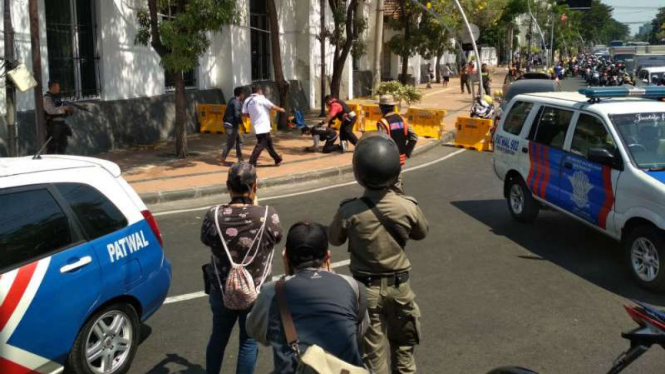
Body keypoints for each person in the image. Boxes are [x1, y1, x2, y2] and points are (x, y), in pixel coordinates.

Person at [329, 134, 429, 374]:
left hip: (366, 290)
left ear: (358, 173)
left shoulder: (349, 210)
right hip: (400, 288)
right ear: (395, 172)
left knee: (373, 358)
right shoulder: (407, 206)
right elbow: (421, 232)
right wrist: (399, 194)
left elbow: (334, 238)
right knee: (404, 352)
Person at [246, 222, 368, 374]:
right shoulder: (353, 286)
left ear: (286, 256)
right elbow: (360, 330)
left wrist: (287, 277)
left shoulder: (271, 292)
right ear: (328, 256)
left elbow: (255, 331)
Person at [201, 162, 283, 374]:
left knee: (218, 338)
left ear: (228, 186)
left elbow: (205, 239)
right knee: (248, 342)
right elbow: (276, 237)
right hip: (255, 292)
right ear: (255, 186)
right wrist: (257, 204)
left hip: (221, 289)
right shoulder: (267, 215)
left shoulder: (214, 215)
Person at [376, 95, 418, 193]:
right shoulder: (402, 120)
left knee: (385, 186)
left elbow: (382, 143)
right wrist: (407, 152)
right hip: (399, 159)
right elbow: (414, 137)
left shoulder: (383, 123)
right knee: (397, 185)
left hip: (388, 160)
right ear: (392, 106)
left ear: (381, 107)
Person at [242, 85, 286, 166]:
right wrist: (281, 109)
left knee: (268, 144)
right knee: (261, 144)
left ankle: (277, 159)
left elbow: (245, 114)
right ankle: (251, 162)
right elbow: (272, 106)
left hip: (256, 126)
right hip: (263, 126)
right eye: (261, 91)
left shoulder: (247, 100)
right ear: (259, 91)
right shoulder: (261, 99)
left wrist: (254, 116)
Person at [44, 81, 74, 154]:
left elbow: (61, 111)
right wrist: (64, 108)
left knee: (63, 144)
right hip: (53, 124)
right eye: (58, 87)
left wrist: (69, 111)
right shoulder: (47, 98)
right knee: (52, 146)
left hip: (61, 124)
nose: (59, 88)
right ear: (53, 87)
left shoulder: (57, 98)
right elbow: (50, 110)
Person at [221, 87, 246, 165]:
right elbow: (237, 115)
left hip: (231, 124)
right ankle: (223, 158)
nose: (244, 96)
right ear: (241, 94)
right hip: (230, 125)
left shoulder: (233, 100)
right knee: (231, 143)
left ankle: (240, 159)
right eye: (243, 94)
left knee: (240, 140)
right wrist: (243, 125)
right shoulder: (236, 102)